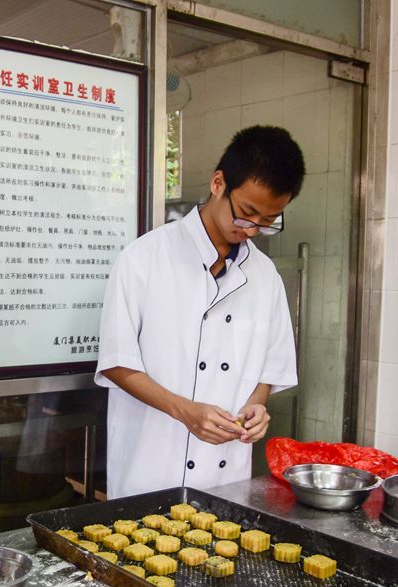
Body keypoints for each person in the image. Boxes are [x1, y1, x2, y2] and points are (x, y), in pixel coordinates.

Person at [96, 125, 305, 497]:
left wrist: (256, 409)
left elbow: (269, 369)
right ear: (218, 183)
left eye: (269, 221)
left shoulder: (265, 277)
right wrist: (185, 411)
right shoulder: (144, 258)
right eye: (247, 213)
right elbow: (116, 362)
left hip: (227, 480)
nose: (253, 230)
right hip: (149, 471)